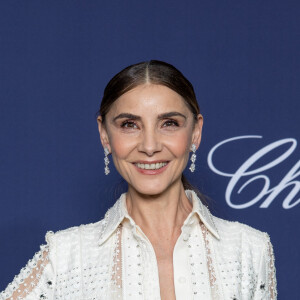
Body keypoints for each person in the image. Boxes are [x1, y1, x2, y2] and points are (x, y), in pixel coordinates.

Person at [0, 60, 277, 300]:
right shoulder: (66, 257)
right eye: (129, 125)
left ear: (195, 132)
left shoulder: (250, 250)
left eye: (169, 123)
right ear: (105, 135)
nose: (149, 146)